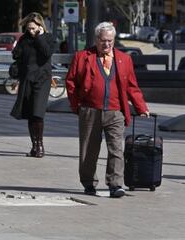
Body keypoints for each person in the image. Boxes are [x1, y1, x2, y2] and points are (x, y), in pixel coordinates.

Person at [66, 22, 150, 198]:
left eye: (110, 41)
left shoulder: (124, 59)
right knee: (89, 149)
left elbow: (132, 86)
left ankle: (115, 185)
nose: (107, 44)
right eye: (104, 40)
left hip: (116, 111)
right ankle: (89, 183)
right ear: (96, 39)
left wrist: (141, 107)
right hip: (90, 110)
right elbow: (71, 82)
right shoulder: (82, 57)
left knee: (116, 149)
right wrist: (76, 106)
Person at [10, 12, 54, 158]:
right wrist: (18, 47)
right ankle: (34, 146)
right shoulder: (24, 38)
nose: (31, 31)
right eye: (29, 28)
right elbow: (17, 55)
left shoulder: (47, 38)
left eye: (34, 28)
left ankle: (40, 146)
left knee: (38, 112)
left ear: (41, 26)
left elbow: (47, 53)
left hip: (42, 80)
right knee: (29, 114)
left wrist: (39, 37)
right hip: (27, 78)